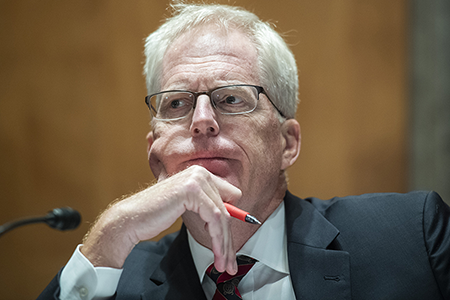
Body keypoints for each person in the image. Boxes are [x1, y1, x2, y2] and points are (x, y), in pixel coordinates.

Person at [38, 2, 450, 300]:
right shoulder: (112, 277)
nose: (201, 120)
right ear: (156, 158)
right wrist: (111, 231)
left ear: (287, 143)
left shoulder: (410, 238)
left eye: (231, 99)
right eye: (177, 103)